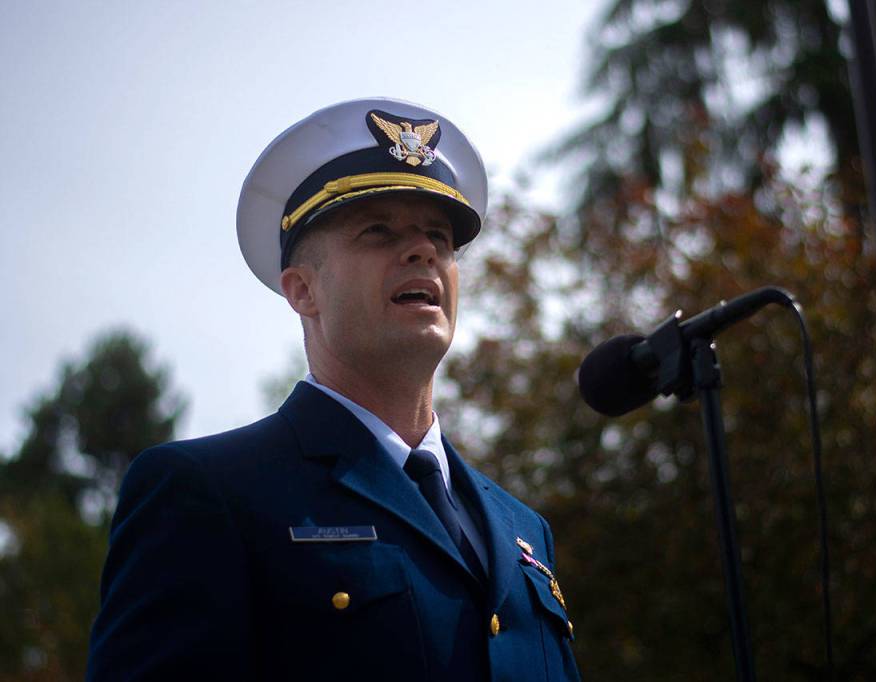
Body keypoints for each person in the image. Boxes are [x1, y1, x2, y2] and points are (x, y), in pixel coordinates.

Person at [86, 98, 581, 681]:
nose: (423, 250)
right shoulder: (207, 492)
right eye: (378, 231)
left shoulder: (523, 530)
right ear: (302, 291)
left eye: (440, 238)